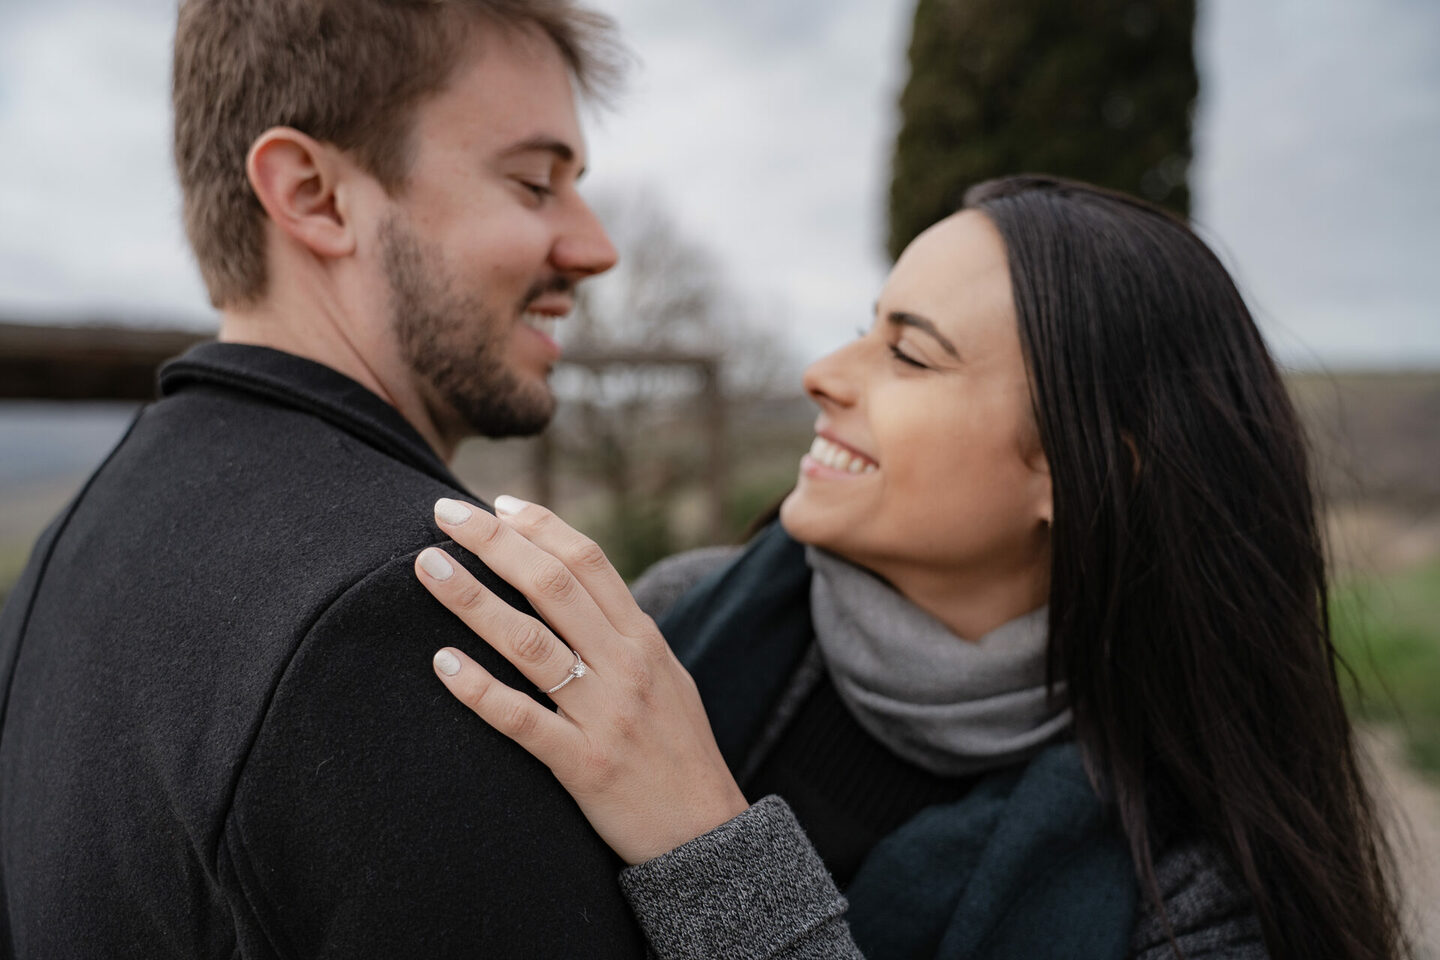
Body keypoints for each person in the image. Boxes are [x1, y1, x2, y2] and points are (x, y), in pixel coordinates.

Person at [412, 177, 1410, 959]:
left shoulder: (1192, 893)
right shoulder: (670, 620)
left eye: (912, 355)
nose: (823, 373)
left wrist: (707, 849)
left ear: (1084, 466)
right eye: (864, 328)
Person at [0, 1, 734, 956]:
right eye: (534, 182)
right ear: (313, 194)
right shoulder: (424, 617)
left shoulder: (84, 533)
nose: (595, 247)